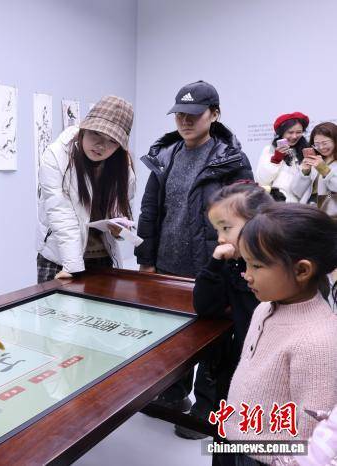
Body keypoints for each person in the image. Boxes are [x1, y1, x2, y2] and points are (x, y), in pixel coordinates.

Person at [135, 80, 253, 435]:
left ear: (214, 115)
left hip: (211, 266)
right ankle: (173, 393)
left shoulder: (231, 160)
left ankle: (207, 405)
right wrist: (146, 259)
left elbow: (246, 214)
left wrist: (234, 260)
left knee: (212, 337)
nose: (185, 121)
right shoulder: (165, 156)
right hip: (167, 264)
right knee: (170, 335)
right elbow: (150, 211)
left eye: (194, 114)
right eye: (179, 115)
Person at [223, 203, 337, 466]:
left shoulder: (318, 341)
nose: (247, 275)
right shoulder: (265, 307)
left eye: (256, 266)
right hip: (240, 439)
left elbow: (311, 432)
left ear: (301, 270)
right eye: (245, 263)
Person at [193, 181, 273, 459]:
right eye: (217, 230)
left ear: (259, 223)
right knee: (226, 443)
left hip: (269, 379)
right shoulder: (232, 264)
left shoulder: (280, 271)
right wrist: (215, 264)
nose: (220, 238)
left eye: (226, 228)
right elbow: (206, 307)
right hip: (235, 368)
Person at [36, 95, 135, 282]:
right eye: (96, 134)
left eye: (112, 141)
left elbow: (121, 209)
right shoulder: (57, 156)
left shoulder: (121, 165)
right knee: (57, 303)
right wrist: (72, 267)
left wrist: (119, 229)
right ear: (84, 128)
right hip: (60, 259)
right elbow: (60, 214)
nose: (101, 145)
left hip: (103, 257)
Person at [255, 112, 310, 202]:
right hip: (278, 203)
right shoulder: (270, 149)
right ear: (281, 133)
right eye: (290, 132)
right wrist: (276, 159)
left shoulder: (306, 150)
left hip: (302, 205)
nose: (294, 136)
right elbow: (262, 181)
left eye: (299, 132)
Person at [291, 122, 337, 216]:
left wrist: (324, 170)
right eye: (316, 144)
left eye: (325, 143)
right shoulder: (314, 160)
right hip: (309, 211)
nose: (321, 147)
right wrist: (305, 172)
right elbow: (297, 192)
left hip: (329, 213)